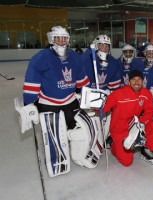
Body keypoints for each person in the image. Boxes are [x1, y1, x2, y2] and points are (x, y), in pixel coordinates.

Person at [15, 26, 102, 177]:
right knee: (55, 135)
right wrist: (29, 106)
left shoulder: (74, 57)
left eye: (65, 38)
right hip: (48, 103)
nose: (62, 41)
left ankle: (79, 156)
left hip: (70, 101)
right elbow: (31, 85)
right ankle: (58, 161)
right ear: (51, 39)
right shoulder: (41, 58)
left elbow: (82, 81)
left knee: (81, 129)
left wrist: (89, 96)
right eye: (58, 38)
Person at [102, 70, 153, 167]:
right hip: (120, 129)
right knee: (127, 162)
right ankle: (114, 145)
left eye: (139, 79)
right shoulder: (118, 94)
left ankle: (146, 150)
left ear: (143, 81)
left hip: (135, 125)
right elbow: (104, 108)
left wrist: (141, 124)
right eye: (133, 79)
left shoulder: (146, 93)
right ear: (129, 82)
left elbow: (150, 112)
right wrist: (97, 103)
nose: (136, 82)